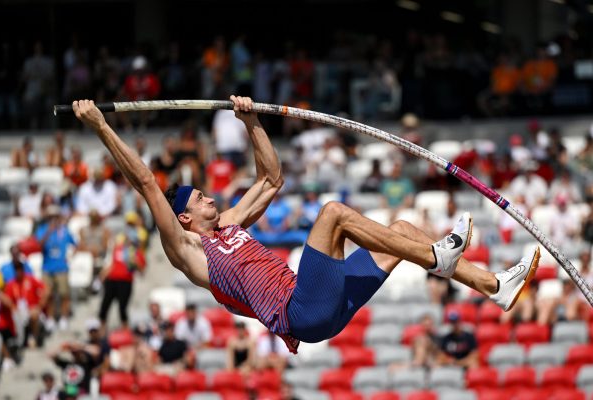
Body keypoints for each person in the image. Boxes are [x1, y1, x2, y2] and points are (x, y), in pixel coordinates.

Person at [72, 96, 540, 354]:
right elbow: (148, 186)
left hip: (320, 310)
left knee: (401, 231)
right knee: (333, 213)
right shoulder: (190, 253)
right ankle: (438, 258)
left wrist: (252, 121)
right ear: (185, 219)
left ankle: (493, 284)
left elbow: (272, 179)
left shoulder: (232, 224)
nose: (212, 196)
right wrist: (99, 126)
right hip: (301, 310)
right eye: (200, 198)